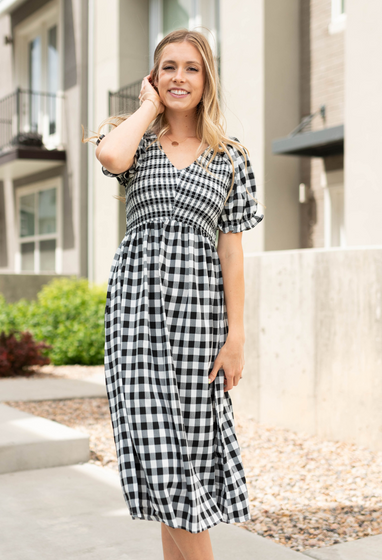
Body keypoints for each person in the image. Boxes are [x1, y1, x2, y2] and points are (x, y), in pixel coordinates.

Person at [87, 28, 265, 560]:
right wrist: (146, 108)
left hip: (199, 318)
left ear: (206, 78)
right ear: (153, 76)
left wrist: (236, 337)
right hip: (137, 315)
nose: (179, 77)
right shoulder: (134, 138)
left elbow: (231, 254)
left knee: (188, 459)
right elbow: (112, 157)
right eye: (168, 67)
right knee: (161, 460)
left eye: (191, 67)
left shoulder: (231, 157)